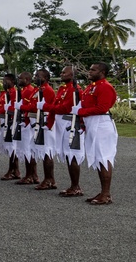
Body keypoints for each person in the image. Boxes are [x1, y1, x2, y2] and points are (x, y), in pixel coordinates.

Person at [73, 62, 117, 205]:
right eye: (90, 69)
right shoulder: (92, 87)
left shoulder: (105, 87)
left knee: (104, 158)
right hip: (92, 124)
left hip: (101, 124)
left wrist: (80, 112)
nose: (89, 72)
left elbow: (102, 108)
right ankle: (103, 192)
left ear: (102, 72)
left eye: (93, 70)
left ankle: (106, 194)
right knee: (99, 158)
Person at [47, 65, 85, 197]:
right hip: (61, 124)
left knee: (72, 154)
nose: (61, 74)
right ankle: (73, 185)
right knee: (68, 155)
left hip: (70, 124)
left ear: (72, 75)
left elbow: (65, 107)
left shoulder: (76, 90)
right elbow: (58, 105)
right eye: (61, 72)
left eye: (64, 72)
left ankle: (76, 186)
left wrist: (49, 107)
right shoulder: (63, 89)